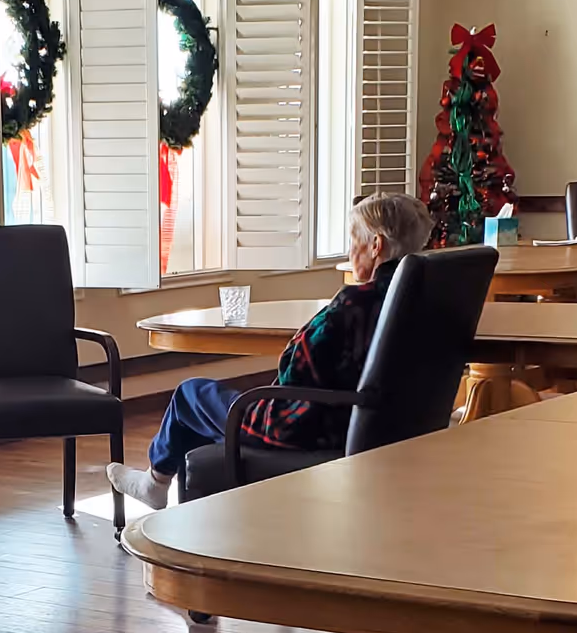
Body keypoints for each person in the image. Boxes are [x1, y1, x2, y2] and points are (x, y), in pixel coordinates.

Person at [106, 192, 433, 510]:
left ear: (376, 245)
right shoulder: (424, 299)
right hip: (378, 422)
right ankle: (197, 499)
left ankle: (156, 483)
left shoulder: (355, 303)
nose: (349, 251)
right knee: (216, 406)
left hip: (309, 427)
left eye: (353, 240)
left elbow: (295, 371)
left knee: (190, 395)